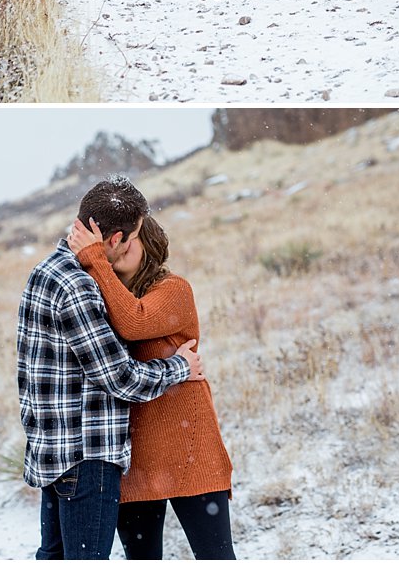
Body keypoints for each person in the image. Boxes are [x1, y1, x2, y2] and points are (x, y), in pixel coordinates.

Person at [17, 177, 206, 560]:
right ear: (116, 238)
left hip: (52, 449)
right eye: (135, 234)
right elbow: (120, 379)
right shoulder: (79, 286)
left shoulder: (46, 270)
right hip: (86, 456)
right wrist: (180, 367)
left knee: (53, 557)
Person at [67, 213, 235, 560]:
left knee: (215, 556)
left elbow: (135, 320)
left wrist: (94, 257)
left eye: (130, 236)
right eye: (115, 240)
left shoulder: (174, 288)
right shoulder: (101, 296)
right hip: (133, 455)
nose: (122, 244)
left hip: (190, 450)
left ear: (151, 241)